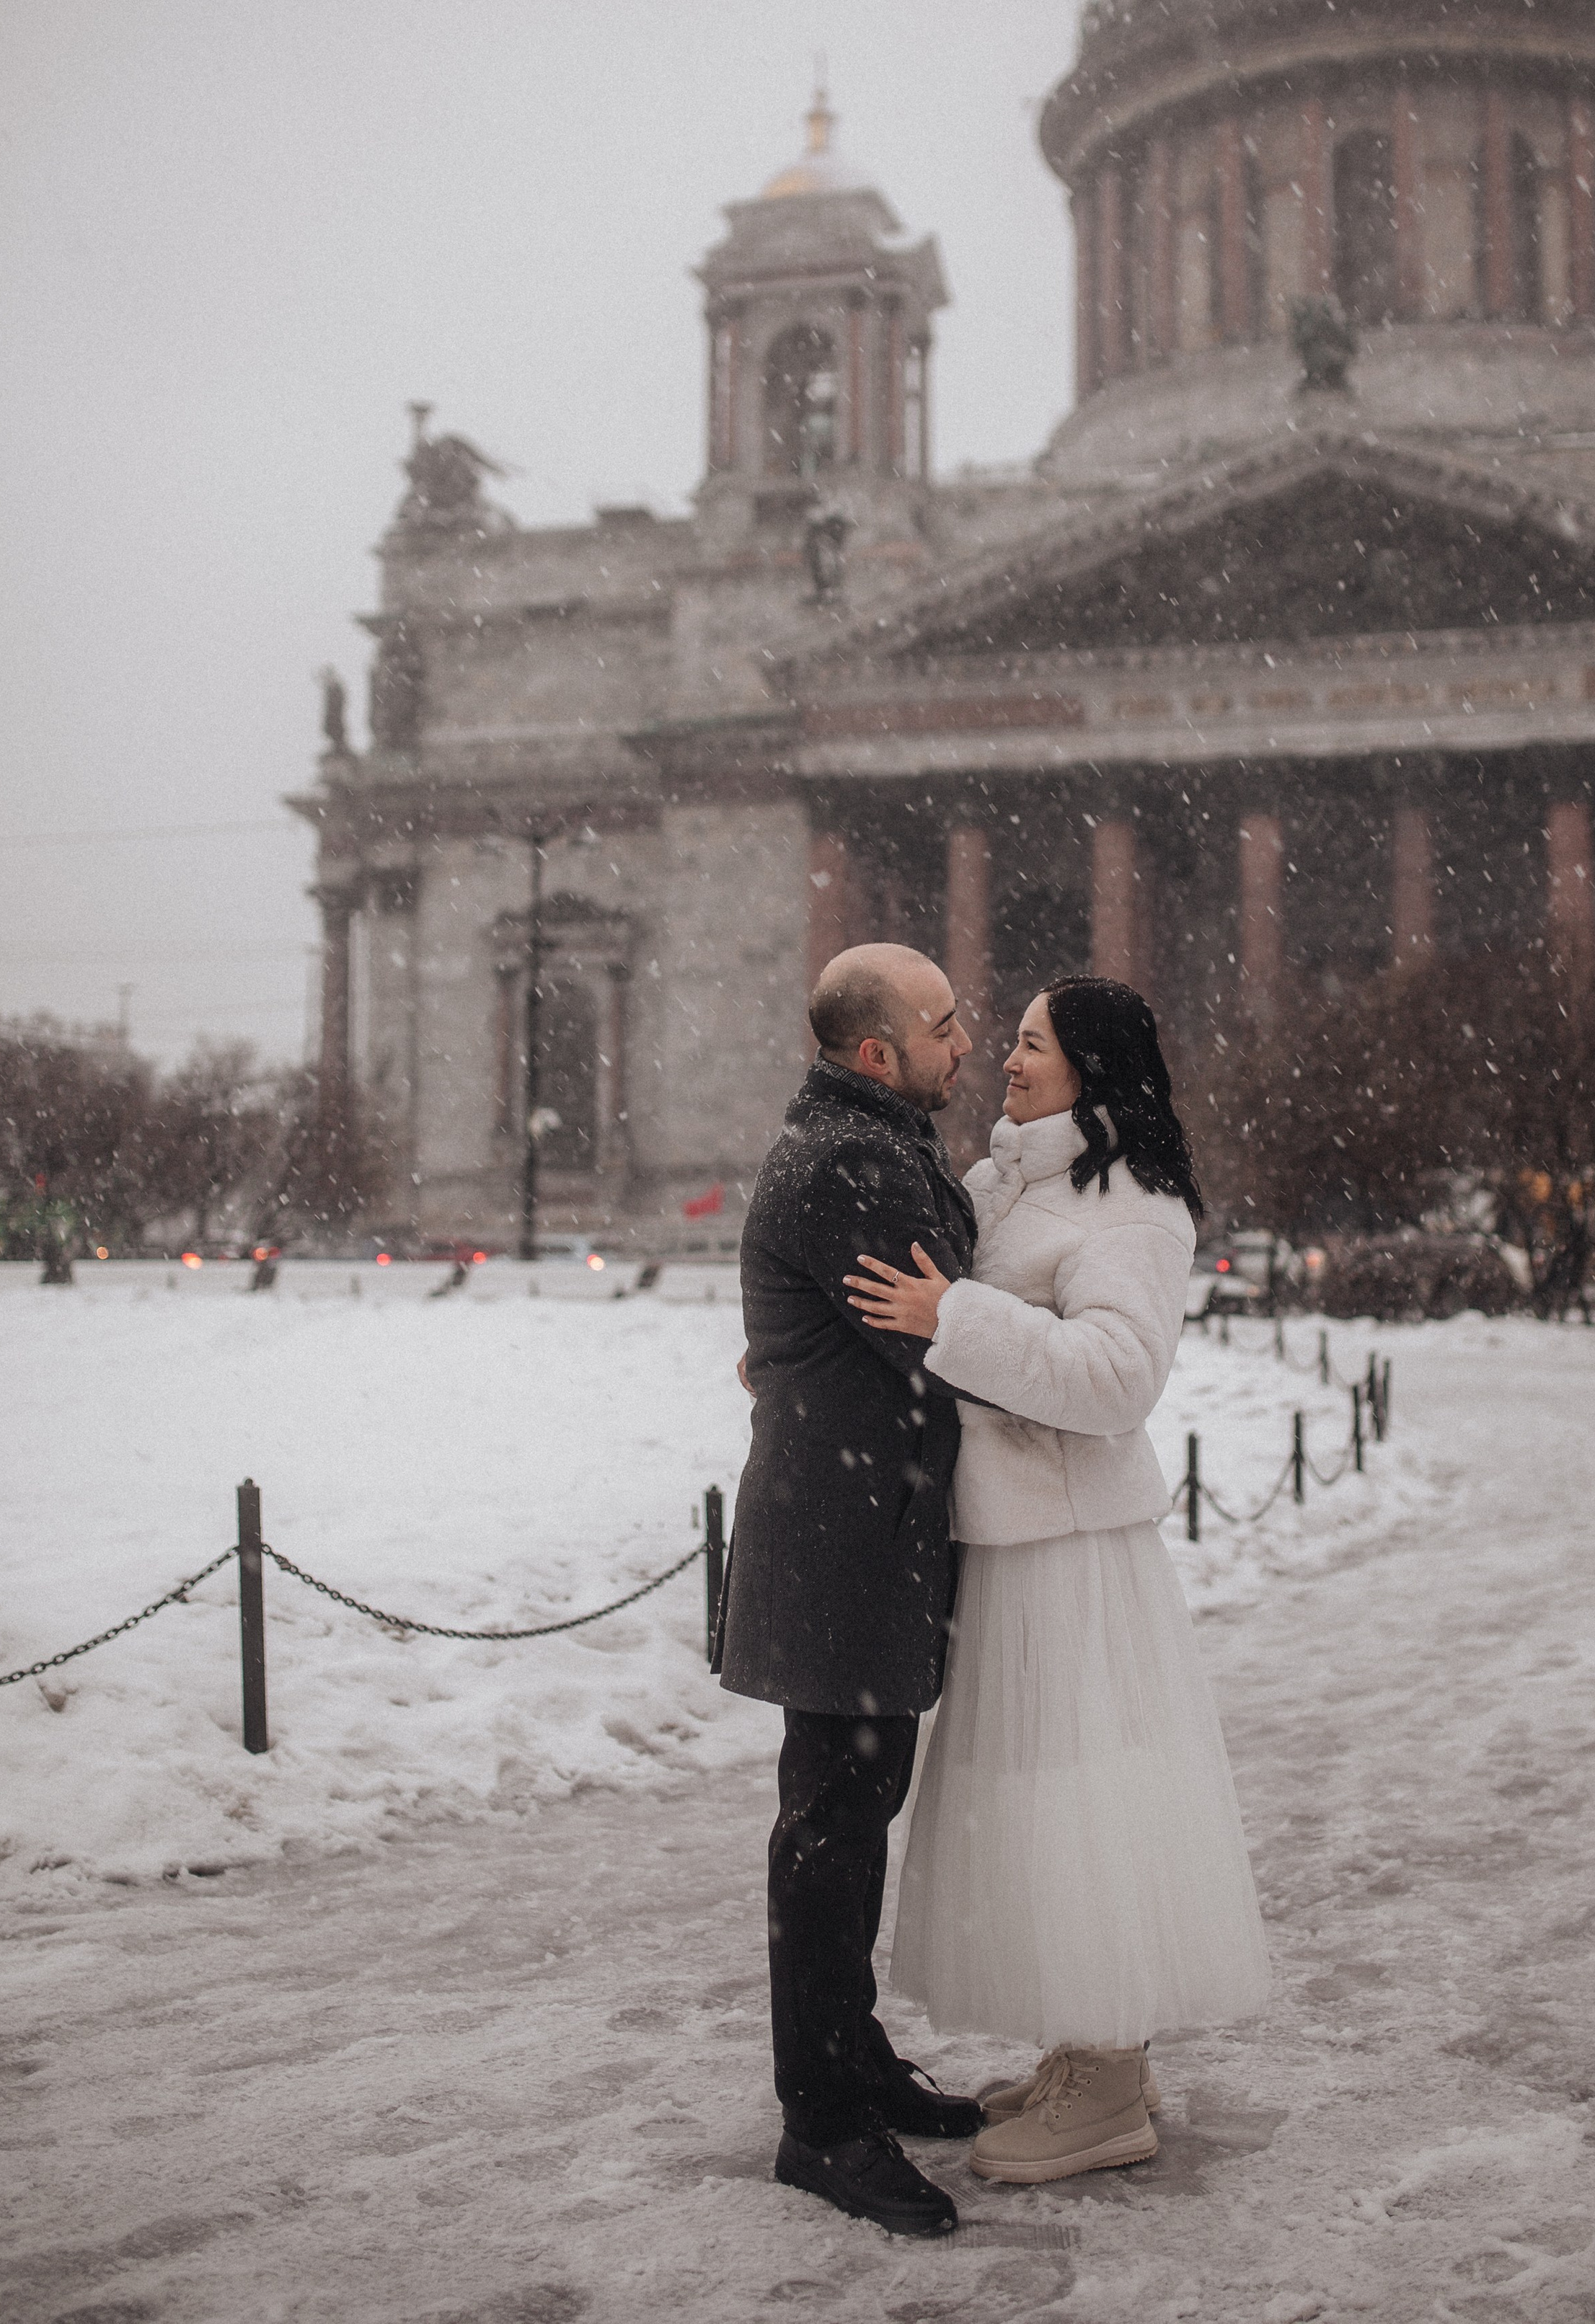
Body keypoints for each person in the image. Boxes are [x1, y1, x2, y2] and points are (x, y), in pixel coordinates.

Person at [847, 975, 1271, 2186]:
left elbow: (1117, 1379)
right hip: (1016, 1538)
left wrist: (958, 1318)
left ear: (1089, 1066)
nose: (1006, 1058)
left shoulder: (1132, 1202)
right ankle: (1084, 2048)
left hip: (1072, 1553)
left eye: (1032, 1043)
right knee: (1041, 1803)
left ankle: (1111, 2085)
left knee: (1084, 1805)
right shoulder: (1021, 1178)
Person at [715, 942, 988, 2240]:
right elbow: (949, 1333)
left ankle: (854, 2060)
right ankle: (822, 2123)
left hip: (855, 1536)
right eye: (944, 1025)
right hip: (841, 1547)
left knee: (849, 1819)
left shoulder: (864, 1147)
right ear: (878, 1053)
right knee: (828, 1834)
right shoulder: (851, 1166)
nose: (965, 1042)